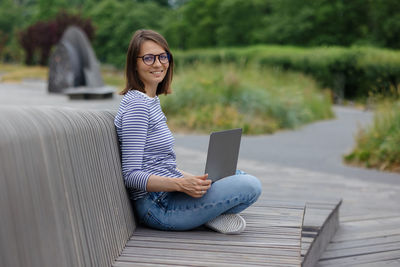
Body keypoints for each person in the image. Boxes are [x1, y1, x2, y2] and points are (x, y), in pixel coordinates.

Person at [114, 29, 262, 234]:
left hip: (168, 194)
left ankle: (207, 214)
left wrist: (193, 180)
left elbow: (160, 164)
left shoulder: (150, 100)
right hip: (157, 207)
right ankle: (208, 214)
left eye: (162, 56)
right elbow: (130, 175)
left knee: (233, 175)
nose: (158, 64)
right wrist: (181, 185)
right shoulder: (137, 106)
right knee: (250, 185)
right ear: (134, 64)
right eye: (148, 58)